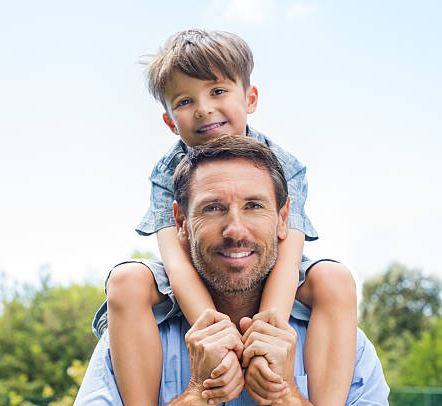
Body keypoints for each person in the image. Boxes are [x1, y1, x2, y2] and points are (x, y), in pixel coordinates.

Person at [94, 29, 357, 405]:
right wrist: (217, 335)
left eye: (217, 91)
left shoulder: (286, 166)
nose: (203, 109)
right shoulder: (165, 172)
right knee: (127, 280)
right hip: (196, 270)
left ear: (249, 98)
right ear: (170, 121)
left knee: (333, 278)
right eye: (185, 100)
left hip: (269, 271)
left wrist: (267, 334)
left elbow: (288, 252)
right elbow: (176, 260)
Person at [76, 136, 389, 405]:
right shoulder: (133, 333)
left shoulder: (342, 340)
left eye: (254, 206)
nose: (235, 230)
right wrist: (197, 395)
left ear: (283, 220)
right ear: (181, 224)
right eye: (213, 208)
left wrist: (287, 396)